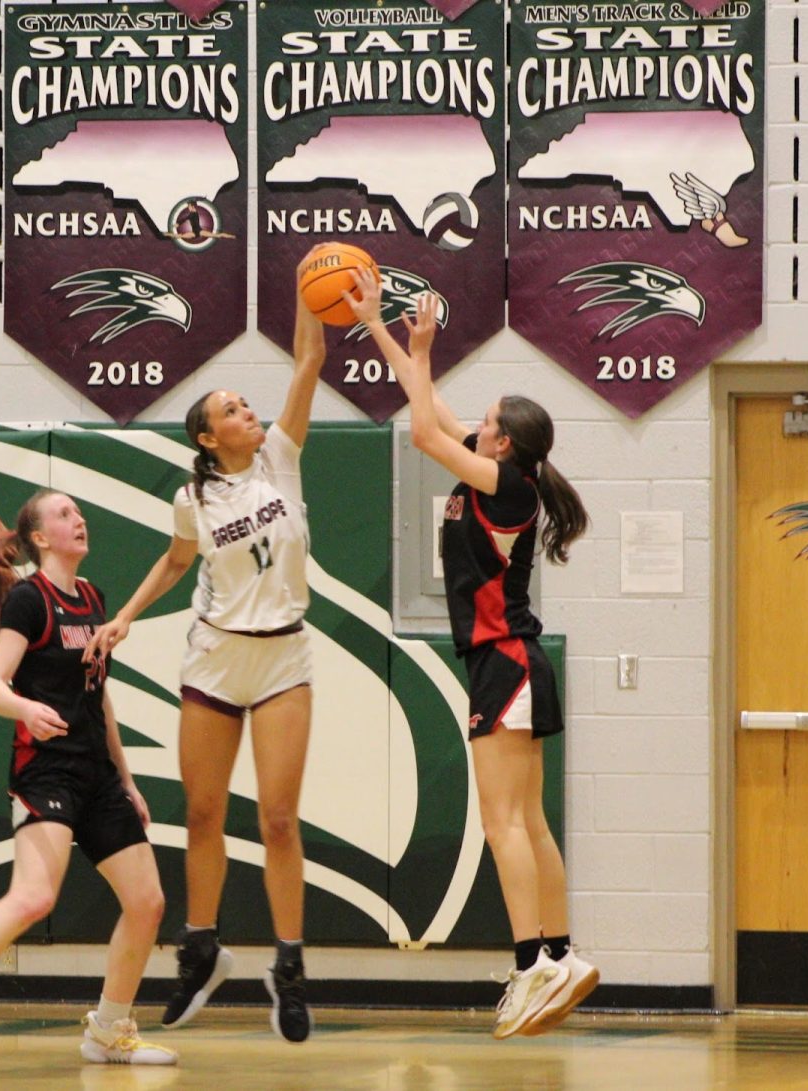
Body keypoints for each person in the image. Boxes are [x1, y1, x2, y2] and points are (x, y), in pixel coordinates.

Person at [84, 252, 328, 1044]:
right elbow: (176, 560)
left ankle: (288, 968)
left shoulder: (281, 459)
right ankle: (201, 948)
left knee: (282, 819)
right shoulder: (191, 496)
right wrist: (123, 616)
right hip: (216, 656)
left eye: (248, 403)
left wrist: (307, 287)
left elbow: (312, 357)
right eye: (233, 407)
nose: (250, 411)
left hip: (283, 655)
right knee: (202, 811)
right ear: (206, 432)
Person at [348, 274, 600, 1039]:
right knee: (528, 819)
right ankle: (559, 953)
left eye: (486, 421)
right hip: (514, 659)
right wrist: (382, 331)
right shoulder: (491, 466)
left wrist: (424, 348)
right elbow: (430, 415)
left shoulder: (510, 489)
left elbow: (423, 433)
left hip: (503, 659)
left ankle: (532, 964)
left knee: (505, 824)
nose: (475, 424)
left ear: (504, 443)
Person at [0, 490, 176, 1066]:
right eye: (65, 514)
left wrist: (126, 780)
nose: (80, 518)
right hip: (45, 769)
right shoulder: (30, 600)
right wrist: (25, 709)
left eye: (80, 510)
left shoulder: (95, 599)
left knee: (147, 902)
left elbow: (99, 700)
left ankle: (108, 1030)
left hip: (98, 773)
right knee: (34, 896)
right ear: (41, 538)